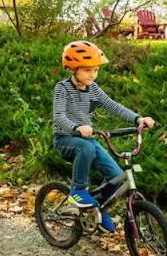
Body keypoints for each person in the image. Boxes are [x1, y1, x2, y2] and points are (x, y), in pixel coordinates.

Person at [53, 39, 155, 233]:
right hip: (66, 139)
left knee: (117, 177)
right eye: (87, 70)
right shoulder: (62, 88)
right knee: (87, 147)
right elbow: (58, 117)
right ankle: (78, 190)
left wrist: (138, 119)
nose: (92, 74)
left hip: (88, 140)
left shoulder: (94, 89)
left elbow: (113, 106)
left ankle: (96, 208)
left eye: (95, 70)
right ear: (73, 69)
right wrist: (76, 127)